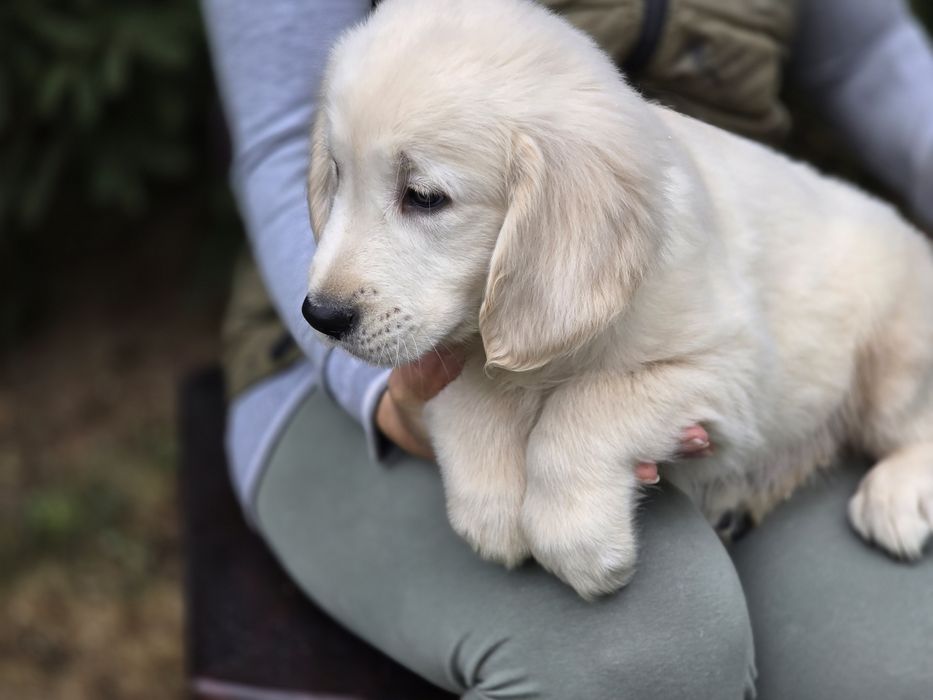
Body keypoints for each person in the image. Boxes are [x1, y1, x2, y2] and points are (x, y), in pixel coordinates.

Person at [202, 0, 933, 697]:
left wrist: (581, 438)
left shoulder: (597, 211)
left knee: (895, 673)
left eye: (422, 196)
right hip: (327, 373)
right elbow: (283, 135)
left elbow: (867, 57)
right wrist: (392, 397)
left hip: (732, 277)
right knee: (643, 655)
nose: (334, 280)